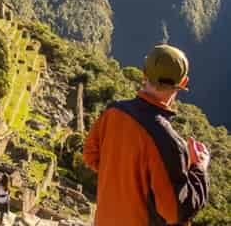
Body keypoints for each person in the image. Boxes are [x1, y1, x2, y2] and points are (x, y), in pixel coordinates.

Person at [83, 44, 210, 225]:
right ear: (183, 83)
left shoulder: (112, 112)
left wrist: (123, 176)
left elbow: (90, 155)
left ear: (144, 74)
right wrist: (199, 169)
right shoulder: (168, 143)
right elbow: (175, 212)